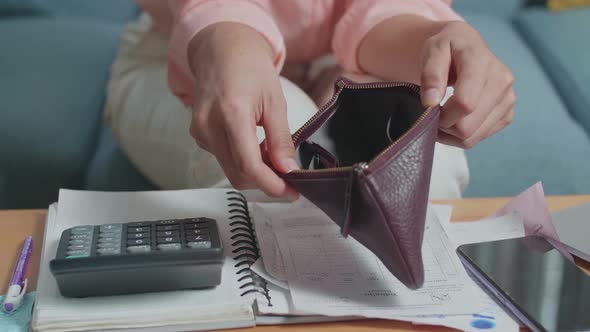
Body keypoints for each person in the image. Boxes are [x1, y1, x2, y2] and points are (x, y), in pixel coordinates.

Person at [104, 0, 514, 200]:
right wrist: (222, 45)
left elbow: (385, 13)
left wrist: (436, 40)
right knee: (270, 179)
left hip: (338, 55)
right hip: (188, 47)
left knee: (422, 177)